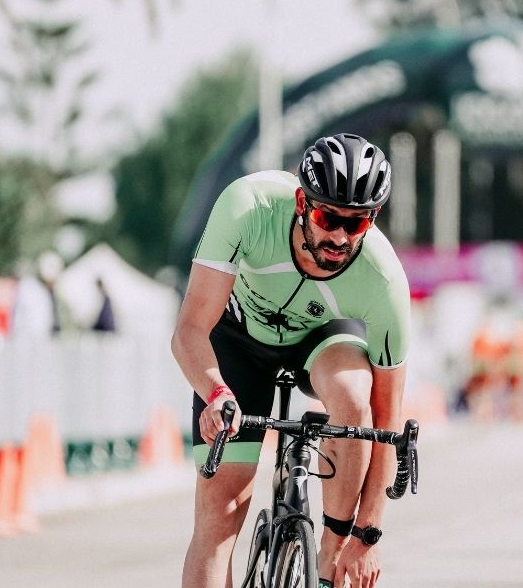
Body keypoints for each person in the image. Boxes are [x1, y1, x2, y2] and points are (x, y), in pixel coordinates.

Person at [171, 133, 411, 588]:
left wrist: (367, 534)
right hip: (237, 340)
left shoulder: (384, 280)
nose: (339, 236)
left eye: (356, 225)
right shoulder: (247, 206)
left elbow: (388, 422)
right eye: (328, 217)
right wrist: (215, 391)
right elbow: (189, 331)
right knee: (220, 514)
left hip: (321, 341)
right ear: (303, 202)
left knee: (354, 400)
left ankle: (329, 550)